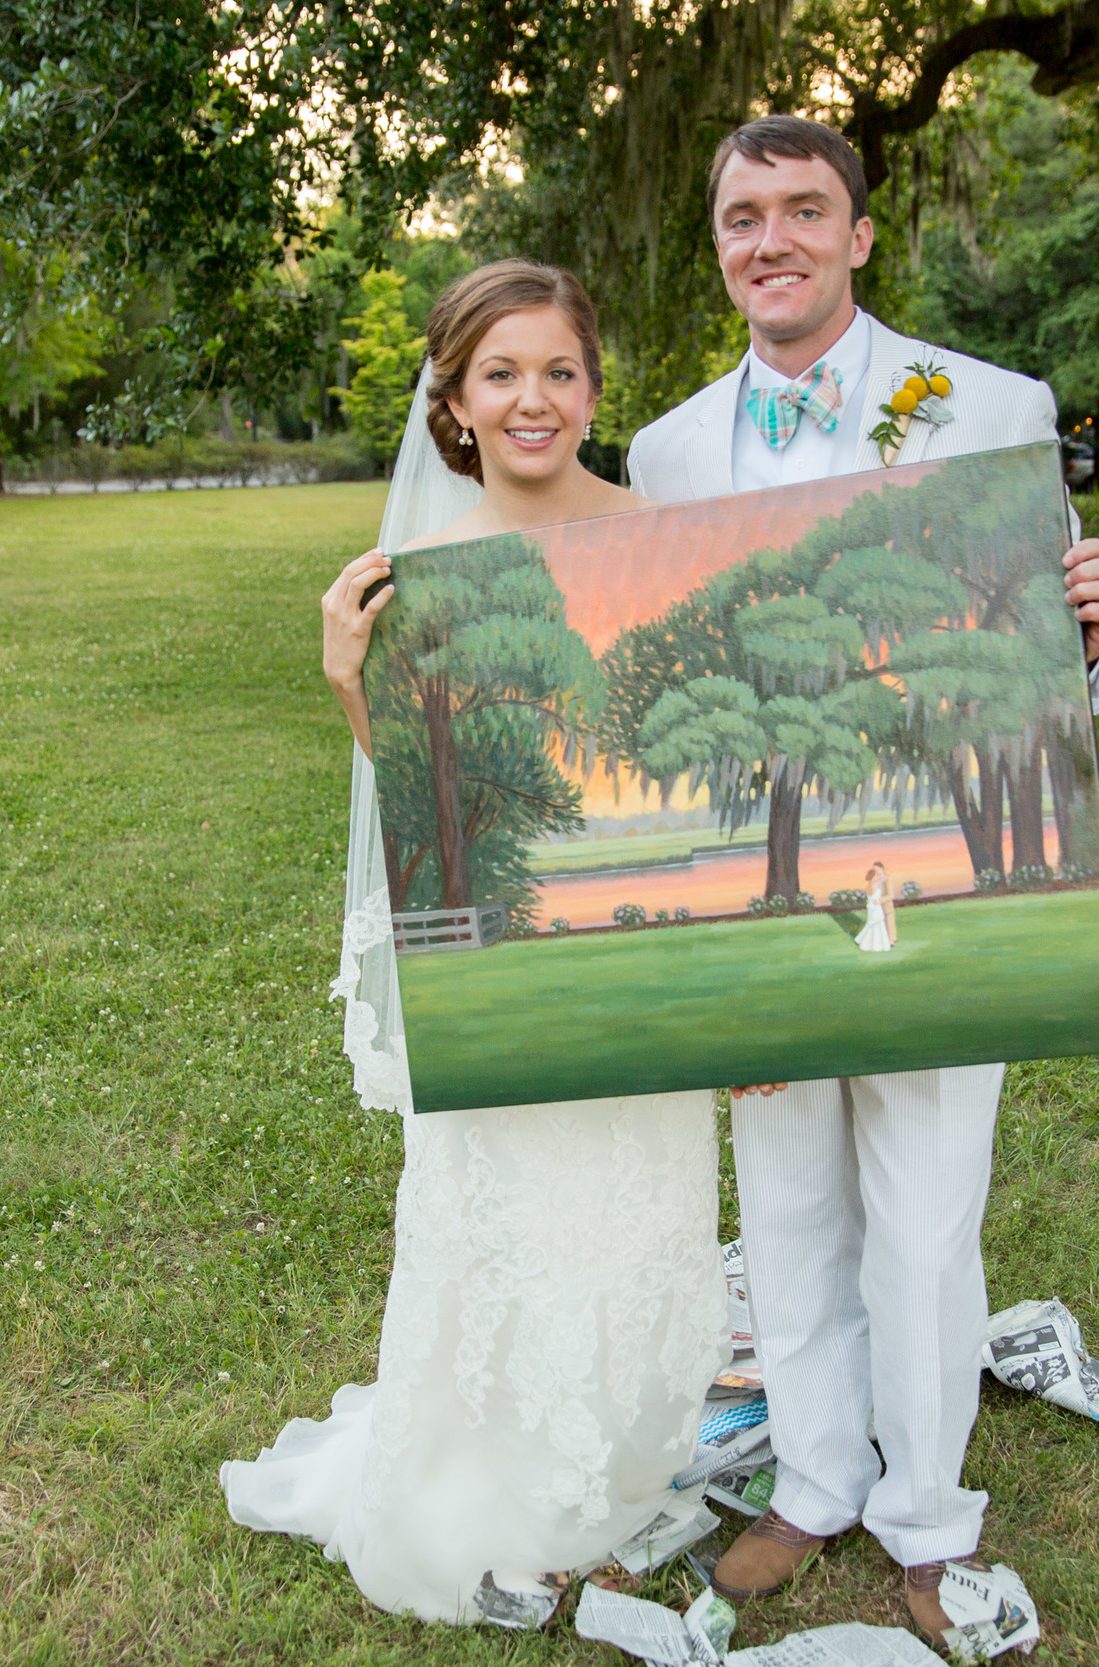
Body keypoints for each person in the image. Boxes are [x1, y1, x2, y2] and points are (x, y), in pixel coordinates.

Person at [627, 115, 1099, 1650]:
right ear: (717, 244)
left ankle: (926, 1513)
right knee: (783, 1193)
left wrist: (1092, 632)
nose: (767, 239)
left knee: (923, 1206)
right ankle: (817, 1479)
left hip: (942, 868)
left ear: (858, 234)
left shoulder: (983, 406)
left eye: (802, 209)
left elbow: (1055, 680)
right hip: (762, 875)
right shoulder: (668, 449)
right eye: (740, 217)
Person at [221, 261, 729, 1626]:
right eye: (499, 372)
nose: (533, 398)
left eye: (560, 369)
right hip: (499, 961)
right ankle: (494, 1485)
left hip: (644, 951)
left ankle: (620, 1470)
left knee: (641, 1215)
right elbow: (430, 802)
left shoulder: (662, 532)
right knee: (514, 1211)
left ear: (594, 388)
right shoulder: (413, 569)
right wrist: (349, 679)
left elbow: (699, 771)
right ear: (450, 398)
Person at [855, 862, 895, 953]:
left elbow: (890, 894)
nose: (876, 873)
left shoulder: (871, 884)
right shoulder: (874, 883)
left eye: (877, 870)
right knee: (877, 925)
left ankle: (881, 942)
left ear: (882, 869)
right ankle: (878, 944)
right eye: (875, 871)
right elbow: (882, 879)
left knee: (876, 925)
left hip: (875, 907)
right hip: (876, 907)